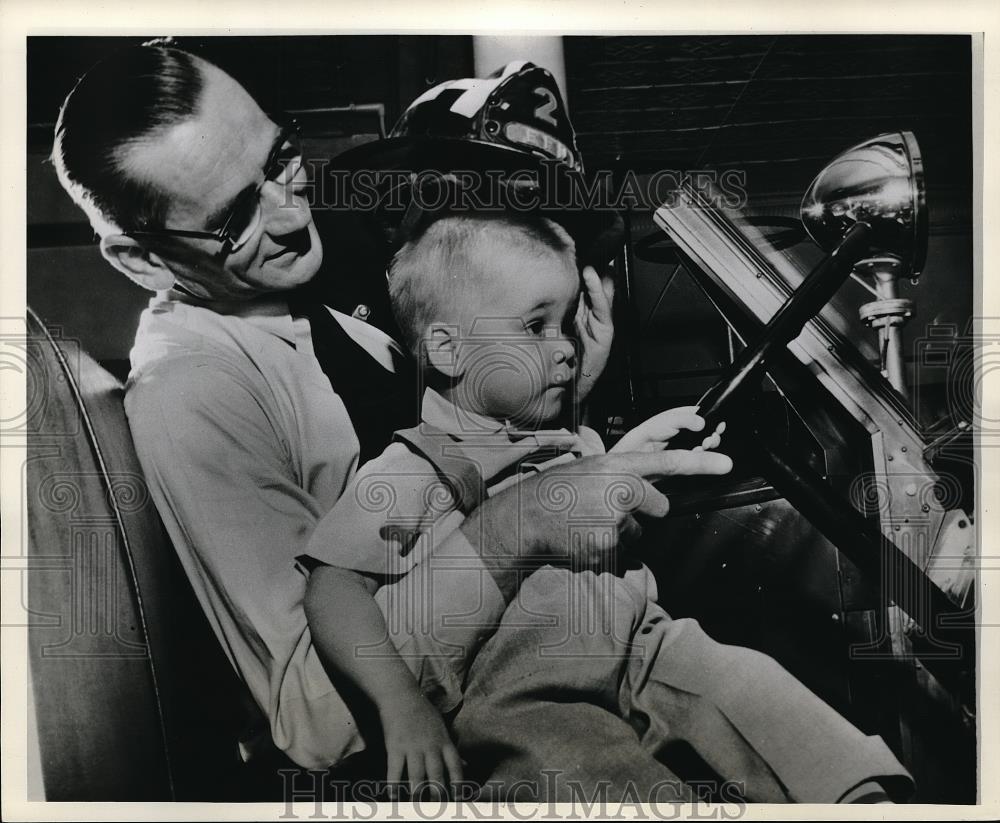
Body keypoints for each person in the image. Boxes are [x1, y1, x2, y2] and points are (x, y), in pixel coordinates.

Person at [49, 42, 910, 802]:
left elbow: (468, 445)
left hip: (595, 630)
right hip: (482, 709)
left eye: (282, 158)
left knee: (774, 661)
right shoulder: (197, 392)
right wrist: (523, 523)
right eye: (236, 215)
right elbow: (316, 723)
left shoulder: (309, 311)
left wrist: (557, 396)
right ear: (135, 256)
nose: (288, 210)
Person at [301, 212, 912, 803]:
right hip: (526, 691)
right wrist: (398, 701)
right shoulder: (420, 465)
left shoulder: (558, 443)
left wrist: (630, 461)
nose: (566, 346)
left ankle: (860, 799)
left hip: (642, 642)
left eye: (565, 322)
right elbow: (333, 586)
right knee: (590, 768)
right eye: (534, 326)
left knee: (756, 692)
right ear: (448, 351)